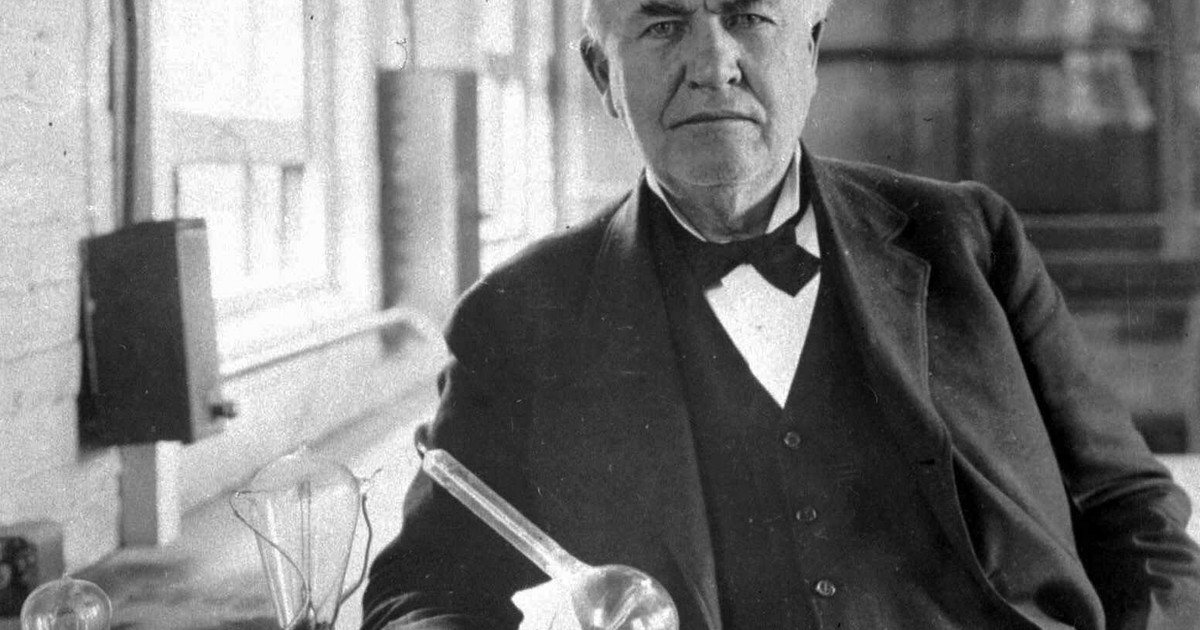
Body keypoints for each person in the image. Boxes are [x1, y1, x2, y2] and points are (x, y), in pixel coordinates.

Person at [362, 0, 1200, 628]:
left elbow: (1136, 514)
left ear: (810, 46)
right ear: (600, 74)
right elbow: (415, 600)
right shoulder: (516, 318)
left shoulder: (970, 241)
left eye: (748, 16)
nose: (713, 63)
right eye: (662, 26)